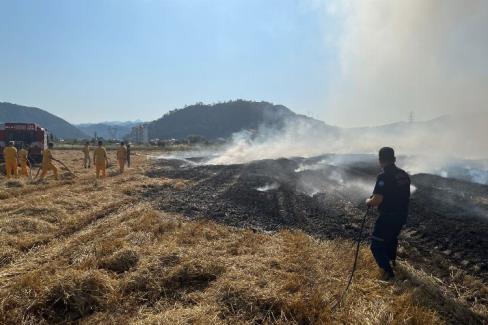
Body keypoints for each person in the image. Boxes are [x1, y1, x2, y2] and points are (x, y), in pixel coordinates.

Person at [366, 147, 410, 281]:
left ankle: (388, 273)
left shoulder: (383, 176)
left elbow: (377, 199)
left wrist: (368, 201)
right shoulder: (403, 174)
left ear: (380, 161)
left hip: (388, 217)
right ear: (394, 159)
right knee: (391, 240)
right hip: (401, 215)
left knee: (376, 245)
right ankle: (392, 262)